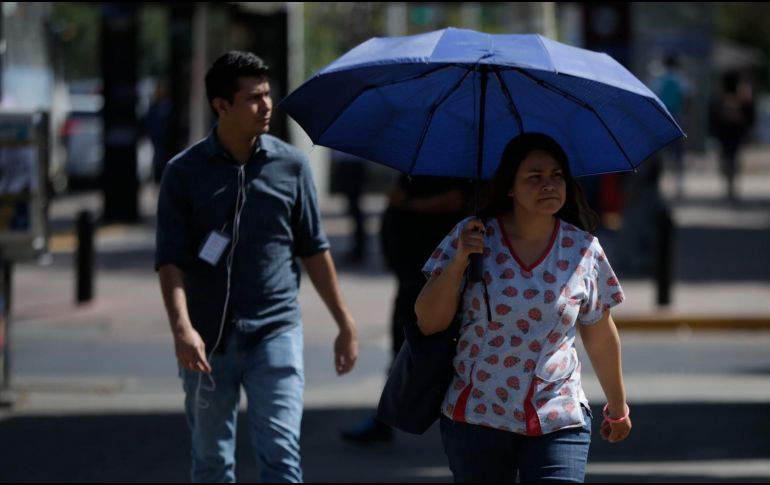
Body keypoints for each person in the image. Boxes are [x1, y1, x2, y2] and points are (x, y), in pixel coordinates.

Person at [155, 51, 358, 483]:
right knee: (211, 463)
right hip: (207, 339)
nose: (267, 105)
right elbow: (169, 261)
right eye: (252, 98)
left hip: (275, 331)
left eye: (267, 94)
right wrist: (182, 328)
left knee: (282, 457)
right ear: (221, 105)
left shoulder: (291, 166)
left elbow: (314, 249)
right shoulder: (183, 173)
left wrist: (344, 322)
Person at [415, 133, 631, 482]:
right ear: (510, 188)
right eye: (534, 177)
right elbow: (428, 322)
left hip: (558, 414)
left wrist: (617, 407)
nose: (549, 184)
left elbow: (600, 335)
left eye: (557, 175)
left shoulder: (584, 249)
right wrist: (458, 262)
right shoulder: (472, 238)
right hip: (477, 414)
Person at [341, 174, 470, 443]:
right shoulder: (422, 165)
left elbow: (454, 200)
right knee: (402, 348)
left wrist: (408, 203)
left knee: (430, 350)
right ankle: (385, 419)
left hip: (441, 275)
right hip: (413, 273)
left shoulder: (458, 170)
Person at [710, 71, 755, 201]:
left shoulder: (737, 100)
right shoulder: (726, 100)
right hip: (728, 133)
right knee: (729, 159)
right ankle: (730, 183)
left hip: (731, 133)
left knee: (730, 158)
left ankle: (730, 184)